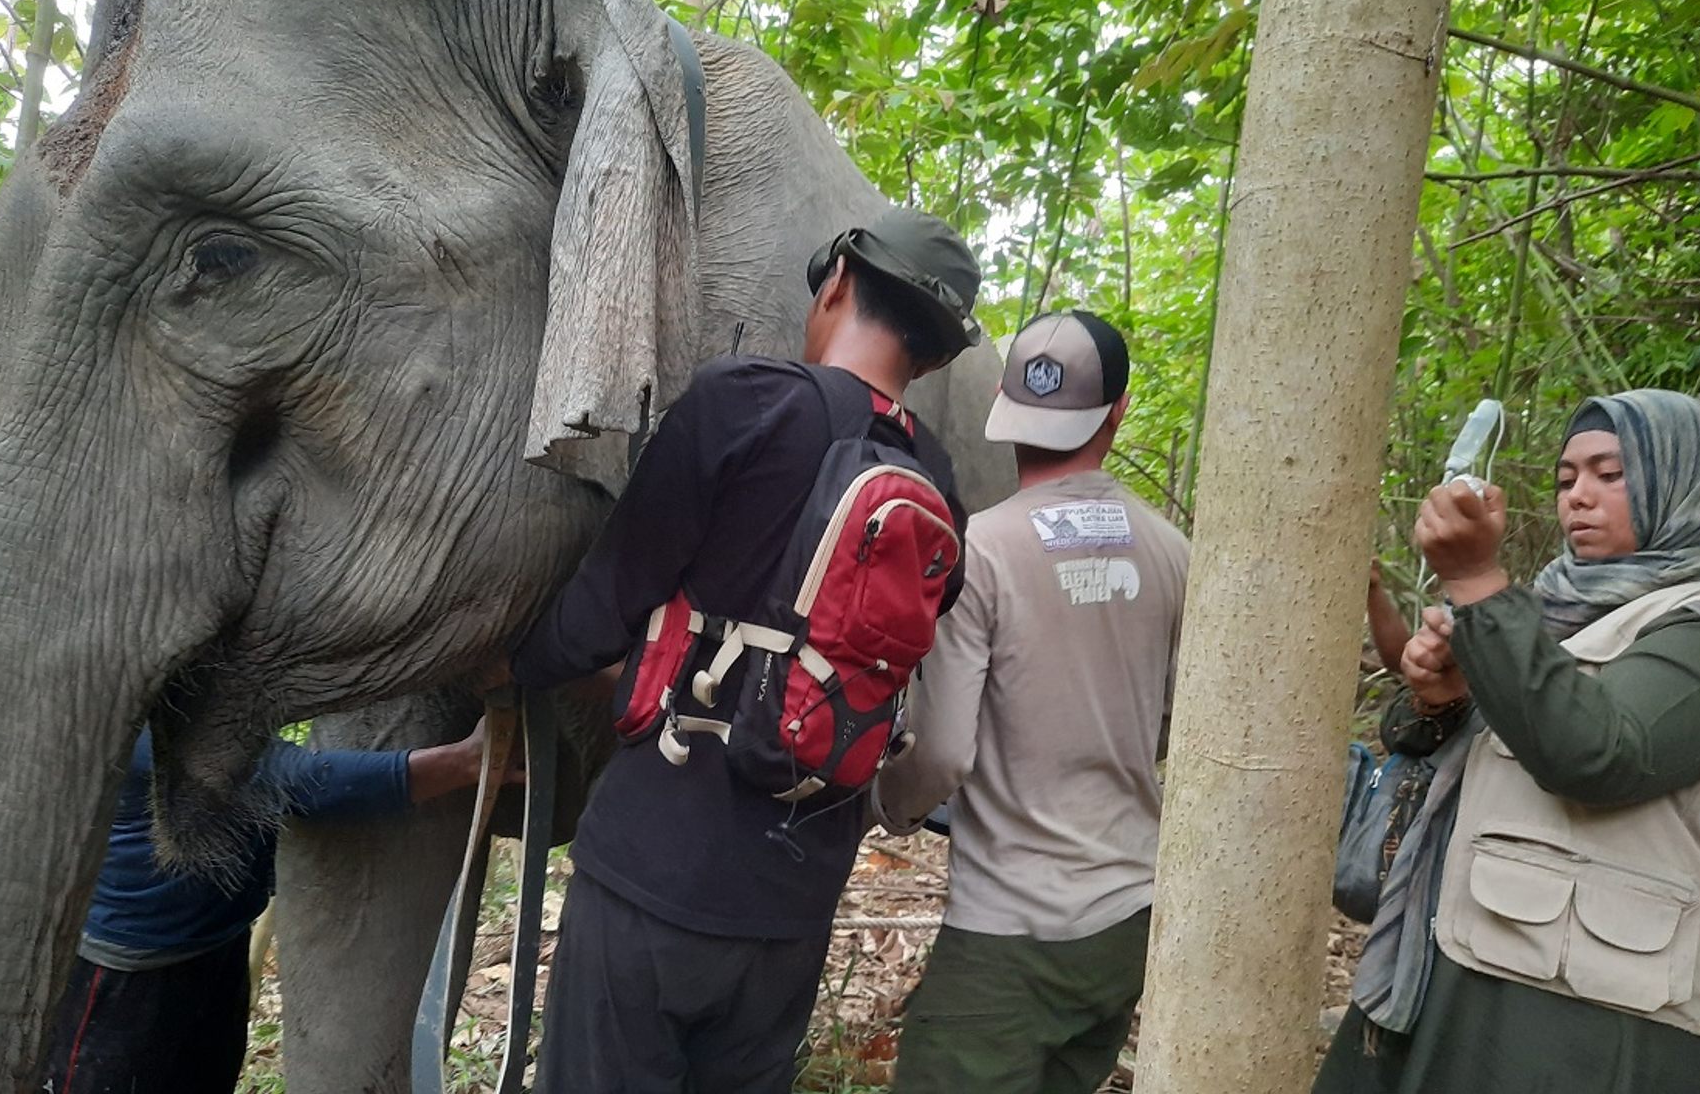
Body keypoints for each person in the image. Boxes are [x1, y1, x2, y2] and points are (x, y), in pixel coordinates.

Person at [510, 207, 983, 1094]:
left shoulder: (746, 402)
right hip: (795, 900)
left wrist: (513, 663)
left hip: (657, 869)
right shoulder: (938, 484)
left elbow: (602, 608)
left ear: (837, 282)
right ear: (933, 356)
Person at [1314, 388, 1700, 1094]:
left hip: (1587, 1019)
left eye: (1610, 476)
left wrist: (1475, 580)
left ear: (1683, 480)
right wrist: (1446, 694)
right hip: (1459, 955)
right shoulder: (1555, 607)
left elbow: (1600, 753)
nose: (1578, 498)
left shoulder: (1691, 622)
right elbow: (1427, 743)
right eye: (1566, 479)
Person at [873, 310, 1190, 1094]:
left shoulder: (976, 553)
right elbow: (1171, 722)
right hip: (1127, 916)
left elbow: (943, 752)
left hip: (1010, 930)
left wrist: (891, 803)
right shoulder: (1175, 554)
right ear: (1117, 412)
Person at [36, 721, 497, 1094]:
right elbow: (302, 783)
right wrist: (462, 763)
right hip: (131, 971)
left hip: (216, 943)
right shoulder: (143, 721)